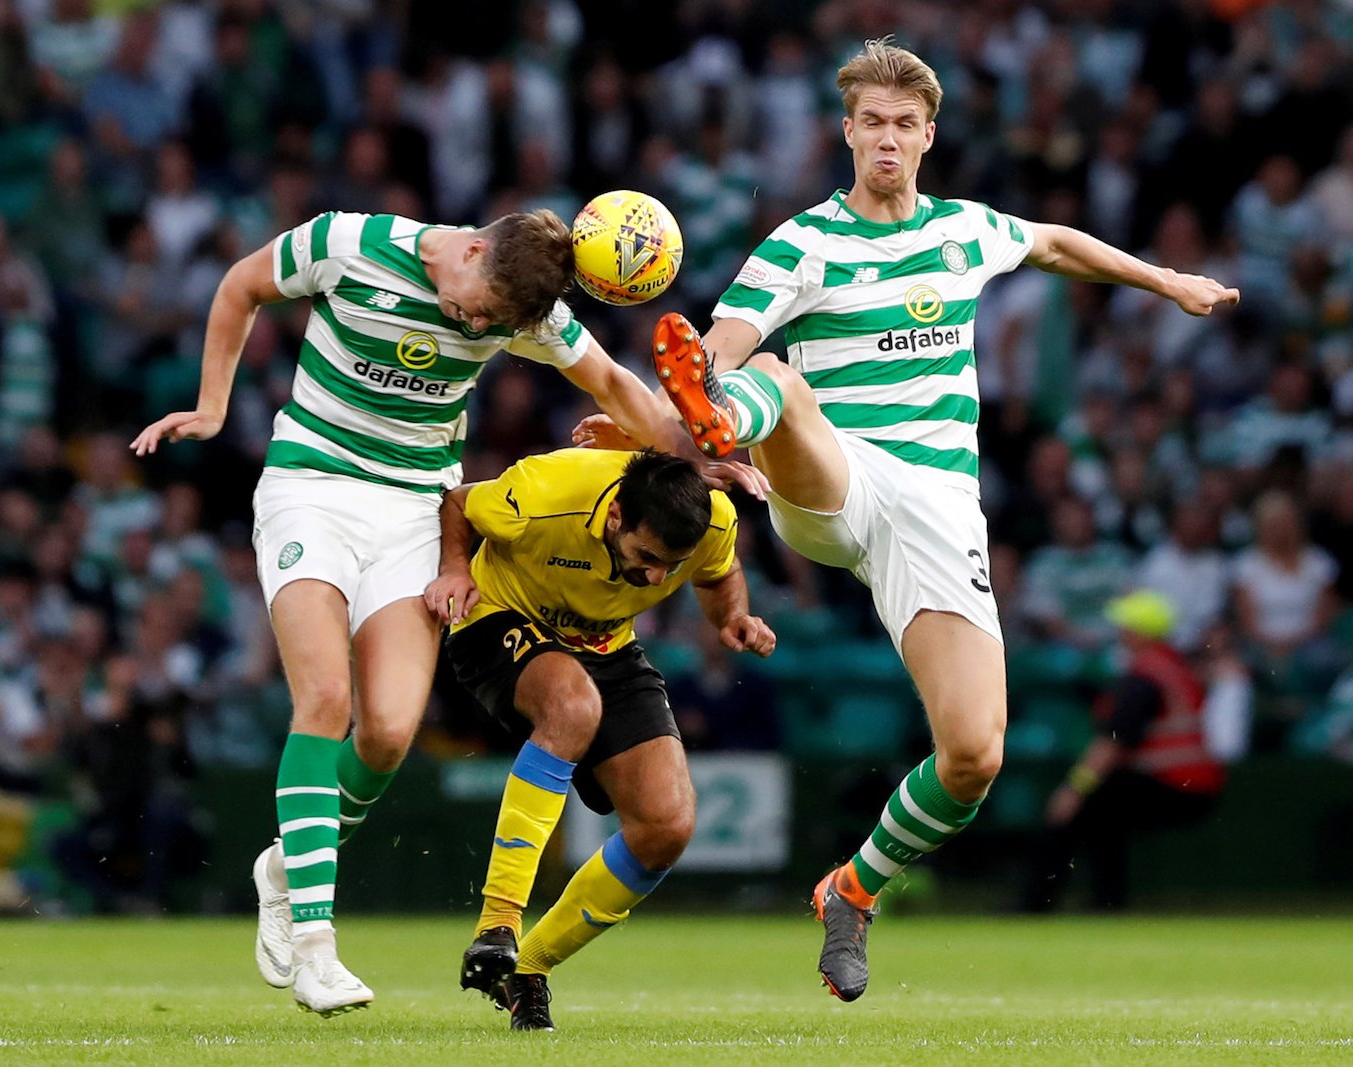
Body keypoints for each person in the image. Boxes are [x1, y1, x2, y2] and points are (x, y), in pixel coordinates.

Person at [580, 37, 1239, 1002]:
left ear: (927, 136)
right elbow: (718, 341)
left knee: (974, 753)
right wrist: (705, 391)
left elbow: (1056, 241)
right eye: (870, 123)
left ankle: (852, 889)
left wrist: (1168, 281)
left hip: (938, 507)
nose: (886, 139)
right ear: (846, 133)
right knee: (770, 379)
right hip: (834, 480)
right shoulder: (802, 244)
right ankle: (729, 421)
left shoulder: (964, 232)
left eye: (903, 124)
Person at [129, 207, 757, 1016]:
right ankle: (315, 942)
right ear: (468, 250)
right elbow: (241, 284)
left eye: (492, 326)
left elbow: (609, 381)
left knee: (388, 733)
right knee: (325, 700)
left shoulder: (524, 308)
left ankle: (287, 866)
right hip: (311, 488)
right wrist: (214, 406)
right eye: (477, 308)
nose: (473, 325)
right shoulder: (347, 245)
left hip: (413, 509)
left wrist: (692, 456)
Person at [423, 447, 774, 1031]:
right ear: (615, 517)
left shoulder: (709, 518)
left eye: (670, 564)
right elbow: (459, 501)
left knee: (667, 825)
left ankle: (528, 969)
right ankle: (497, 923)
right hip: (500, 618)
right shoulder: (544, 494)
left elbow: (718, 570)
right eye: (647, 557)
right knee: (572, 705)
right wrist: (456, 567)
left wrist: (730, 617)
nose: (658, 577)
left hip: (605, 645)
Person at [1019, 591, 1225, 912]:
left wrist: (1074, 789)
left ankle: (1036, 905)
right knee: (1104, 818)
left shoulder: (1145, 675)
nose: (1120, 633)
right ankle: (1106, 903)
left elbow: (1112, 743)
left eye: (1126, 627)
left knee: (1075, 812)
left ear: (1141, 633)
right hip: (1193, 786)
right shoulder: (1173, 666)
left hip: (1174, 784)